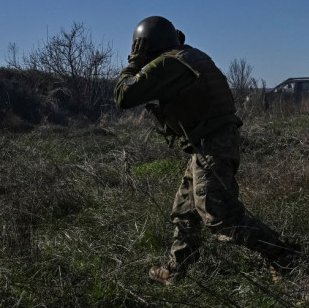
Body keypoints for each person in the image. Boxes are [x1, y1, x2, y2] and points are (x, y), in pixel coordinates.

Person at [114, 16, 298, 285]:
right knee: (185, 210)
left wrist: (134, 64)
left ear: (147, 47)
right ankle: (174, 271)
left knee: (218, 214)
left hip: (213, 144)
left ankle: (283, 255)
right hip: (208, 143)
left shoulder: (167, 63)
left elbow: (123, 96)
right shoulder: (191, 55)